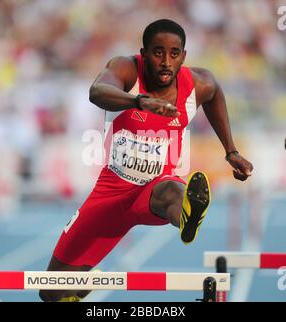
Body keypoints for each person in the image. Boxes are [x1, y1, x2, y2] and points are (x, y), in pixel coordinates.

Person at [39, 19, 253, 302]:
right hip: (111, 192)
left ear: (183, 56)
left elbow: (214, 93)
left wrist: (231, 151)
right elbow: (96, 92)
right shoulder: (126, 69)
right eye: (157, 52)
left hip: (155, 189)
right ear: (143, 53)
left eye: (174, 54)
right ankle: (82, 285)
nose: (166, 61)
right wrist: (138, 101)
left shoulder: (197, 84)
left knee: (173, 191)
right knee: (50, 292)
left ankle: (187, 217)